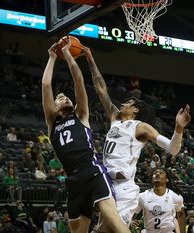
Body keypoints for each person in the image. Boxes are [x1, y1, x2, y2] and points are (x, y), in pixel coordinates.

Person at [83, 46, 191, 226]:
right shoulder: (115, 119)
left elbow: (173, 149)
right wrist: (90, 60)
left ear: (135, 110)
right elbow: (101, 90)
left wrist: (178, 129)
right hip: (106, 184)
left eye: (128, 102)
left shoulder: (140, 127)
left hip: (124, 188)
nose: (123, 103)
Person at [41, 38, 129, 233]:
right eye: (59, 98)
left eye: (66, 96)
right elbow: (46, 85)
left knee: (113, 219)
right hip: (73, 181)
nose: (63, 97)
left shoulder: (81, 115)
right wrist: (52, 57)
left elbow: (78, 80)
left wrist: (70, 56)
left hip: (93, 172)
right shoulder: (52, 122)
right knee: (77, 230)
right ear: (54, 107)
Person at [133, 168, 185, 233]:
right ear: (152, 179)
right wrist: (131, 221)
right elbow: (132, 214)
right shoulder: (142, 196)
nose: (157, 174)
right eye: (155, 173)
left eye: (161, 173)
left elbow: (181, 216)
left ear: (167, 179)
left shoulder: (176, 197)